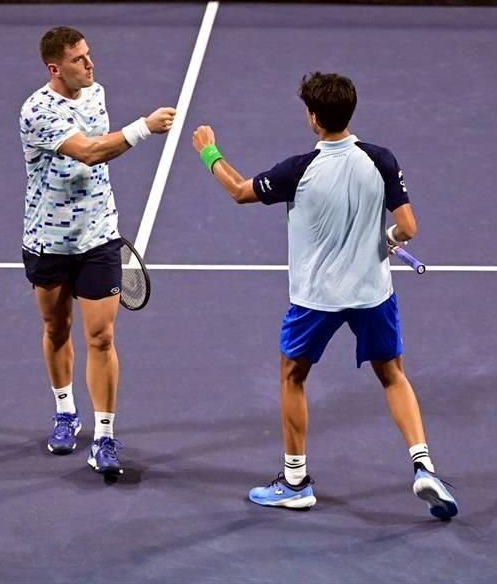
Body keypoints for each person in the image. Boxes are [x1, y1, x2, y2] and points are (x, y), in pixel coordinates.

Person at [190, 72, 458, 519]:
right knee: (393, 375)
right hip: (373, 292)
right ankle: (423, 466)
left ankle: (295, 481)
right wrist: (388, 238)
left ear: (313, 118)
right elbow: (408, 228)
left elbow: (240, 192)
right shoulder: (381, 159)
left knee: (293, 376)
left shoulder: (298, 170)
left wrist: (209, 152)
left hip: (316, 299)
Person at [18, 26, 175, 477]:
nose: (90, 65)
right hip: (47, 240)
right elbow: (87, 152)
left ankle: (104, 437)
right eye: (79, 60)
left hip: (98, 239)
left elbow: (103, 155)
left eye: (89, 56)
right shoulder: (36, 111)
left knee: (102, 338)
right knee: (55, 327)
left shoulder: (95, 93)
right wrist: (144, 127)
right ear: (55, 68)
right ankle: (65, 410)